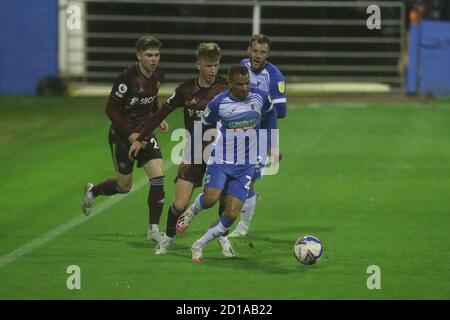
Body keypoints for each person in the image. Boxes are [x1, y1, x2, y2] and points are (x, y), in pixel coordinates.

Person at [128, 42, 230, 255]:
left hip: (219, 155)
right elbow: (159, 114)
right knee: (180, 204)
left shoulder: (226, 88)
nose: (212, 70)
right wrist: (141, 138)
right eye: (208, 65)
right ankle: (167, 237)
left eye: (216, 65)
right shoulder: (185, 90)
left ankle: (223, 237)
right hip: (194, 153)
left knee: (224, 198)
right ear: (198, 65)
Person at [178, 64, 278, 262]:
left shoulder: (260, 97)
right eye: (240, 84)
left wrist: (272, 144)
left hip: (247, 164)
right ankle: (193, 210)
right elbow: (201, 128)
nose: (244, 88)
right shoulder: (218, 103)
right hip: (222, 160)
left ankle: (199, 244)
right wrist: (188, 157)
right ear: (230, 83)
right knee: (211, 199)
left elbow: (271, 115)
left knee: (231, 213)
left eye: (247, 83)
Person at [81, 35, 168, 242]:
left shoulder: (158, 74)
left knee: (158, 177)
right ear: (139, 56)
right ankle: (93, 191)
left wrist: (157, 117)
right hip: (122, 136)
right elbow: (111, 109)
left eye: (156, 55)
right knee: (123, 187)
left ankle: (153, 230)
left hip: (145, 134)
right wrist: (130, 135)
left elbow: (152, 96)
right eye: (148, 55)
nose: (153, 59)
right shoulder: (127, 77)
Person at [228, 34, 287, 238]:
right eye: (255, 51)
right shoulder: (240, 69)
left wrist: (256, 104)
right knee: (227, 180)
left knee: (248, 181)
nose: (258, 55)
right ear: (248, 50)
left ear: (267, 54)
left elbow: (281, 112)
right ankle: (242, 205)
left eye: (262, 52)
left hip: (260, 136)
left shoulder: (275, 76)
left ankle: (243, 226)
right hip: (233, 132)